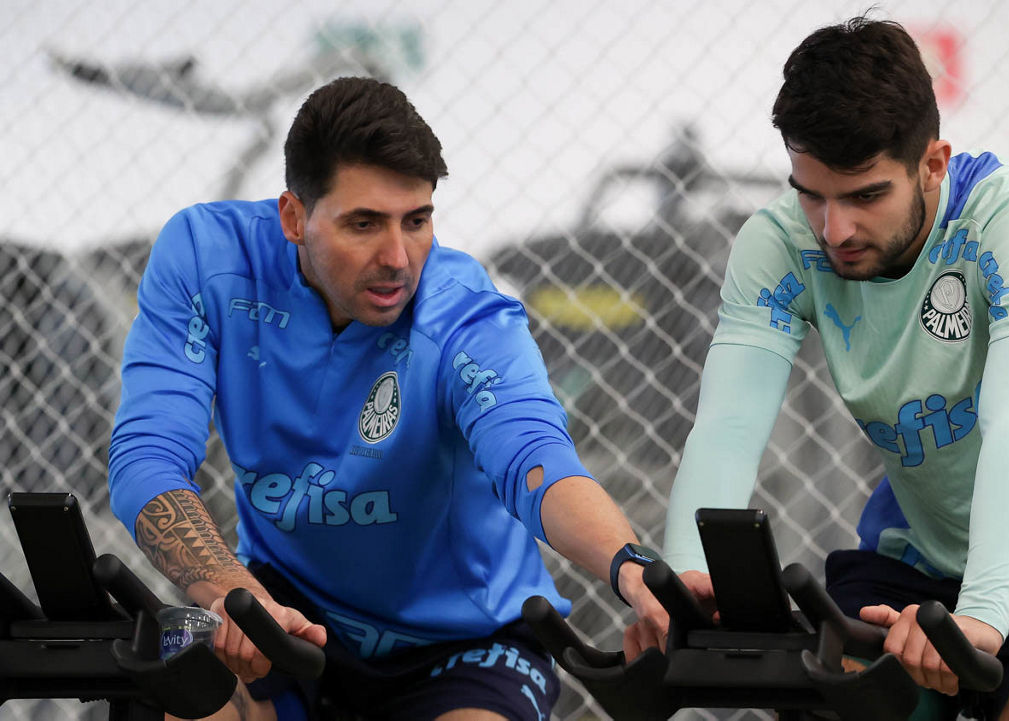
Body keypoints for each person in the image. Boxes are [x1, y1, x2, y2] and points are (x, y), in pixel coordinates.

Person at [109, 76, 670, 721]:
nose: (399, 258)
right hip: (289, 617)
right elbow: (147, 457)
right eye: (364, 223)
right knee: (186, 707)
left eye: (417, 220)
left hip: (466, 645)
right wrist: (234, 592)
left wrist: (632, 568)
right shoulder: (204, 255)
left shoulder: (464, 312)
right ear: (294, 217)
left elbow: (536, 458)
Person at [660, 15, 1009, 721]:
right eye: (811, 193)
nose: (834, 229)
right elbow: (727, 427)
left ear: (933, 164)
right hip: (911, 570)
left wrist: (981, 616)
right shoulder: (777, 243)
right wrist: (685, 584)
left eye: (866, 195)